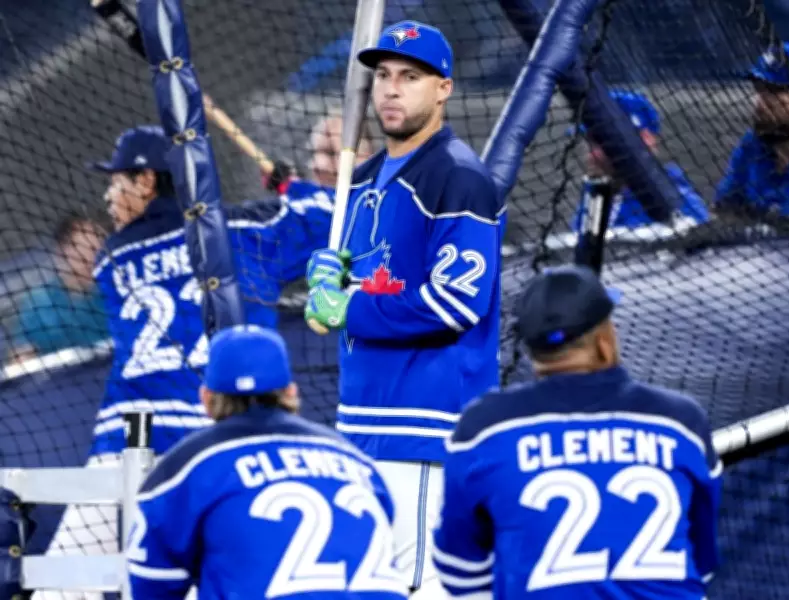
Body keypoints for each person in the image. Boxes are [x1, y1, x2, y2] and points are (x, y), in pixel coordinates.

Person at [33, 124, 335, 600]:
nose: (108, 196)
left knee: (66, 585)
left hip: (122, 442)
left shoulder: (112, 258)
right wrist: (289, 187)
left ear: (146, 181)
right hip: (207, 439)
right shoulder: (244, 231)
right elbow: (333, 220)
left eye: (116, 182)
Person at [303, 20, 505, 596]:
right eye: (384, 76)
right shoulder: (361, 179)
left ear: (443, 89)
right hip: (363, 424)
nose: (391, 89)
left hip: (425, 431)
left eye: (410, 77)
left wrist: (350, 307)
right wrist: (329, 288)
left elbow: (455, 302)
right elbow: (347, 300)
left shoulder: (459, 177)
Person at [432, 265, 723, 599]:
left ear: (531, 349)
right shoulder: (681, 421)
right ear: (605, 341)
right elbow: (703, 562)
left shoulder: (484, 428)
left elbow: (459, 572)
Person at [127, 324, 408, 600]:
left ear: (206, 397)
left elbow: (150, 586)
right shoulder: (358, 463)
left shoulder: (187, 467)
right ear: (291, 392)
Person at [571, 90, 710, 231]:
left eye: (600, 142)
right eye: (589, 144)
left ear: (644, 140)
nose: (591, 156)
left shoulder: (675, 200)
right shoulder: (599, 195)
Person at [714, 43, 789, 220]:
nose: (760, 102)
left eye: (773, 91)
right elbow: (724, 208)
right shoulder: (754, 144)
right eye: (759, 90)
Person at [7, 213, 108, 363]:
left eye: (96, 247)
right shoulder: (38, 302)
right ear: (62, 250)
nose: (90, 256)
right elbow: (20, 356)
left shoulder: (115, 292)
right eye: (83, 247)